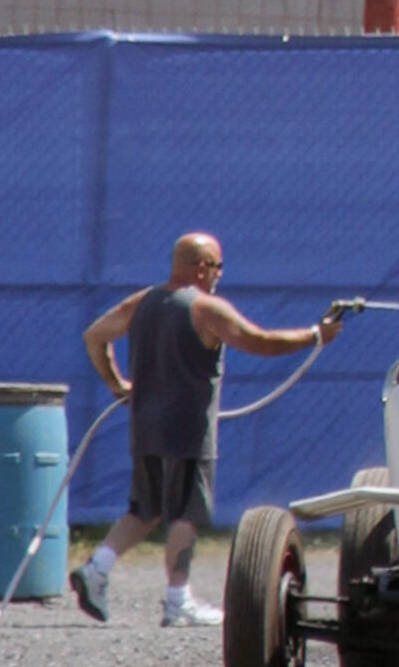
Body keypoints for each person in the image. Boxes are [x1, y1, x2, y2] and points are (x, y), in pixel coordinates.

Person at [68, 233, 344, 626]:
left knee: (145, 509)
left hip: (145, 426)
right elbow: (259, 341)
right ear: (201, 268)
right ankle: (178, 600)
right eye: (217, 267)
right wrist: (316, 336)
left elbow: (95, 335)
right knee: (186, 513)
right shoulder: (206, 308)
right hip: (187, 430)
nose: (219, 276)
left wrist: (116, 383)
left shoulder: (143, 302)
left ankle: (97, 568)